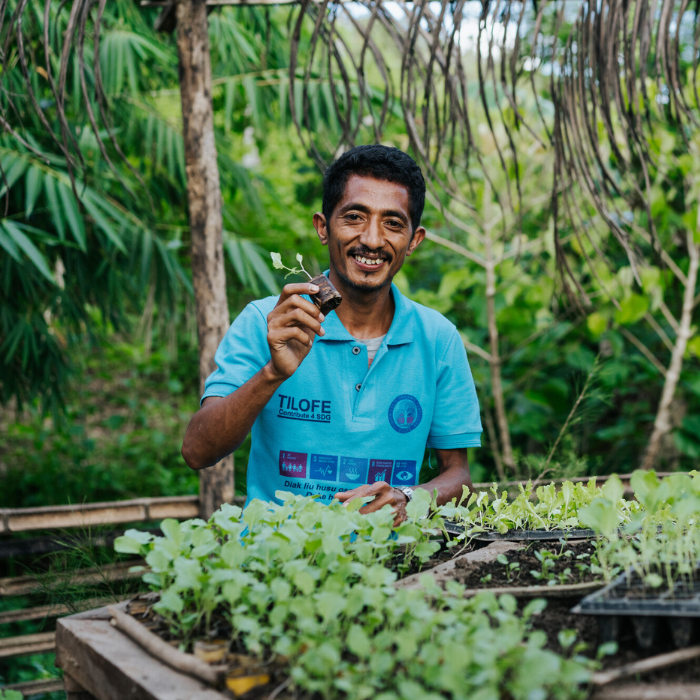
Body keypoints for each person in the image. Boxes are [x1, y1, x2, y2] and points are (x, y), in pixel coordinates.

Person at [181, 145, 482, 524]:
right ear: (323, 228)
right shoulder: (269, 321)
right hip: (277, 560)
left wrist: (409, 497)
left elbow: (460, 476)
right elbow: (197, 452)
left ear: (414, 240)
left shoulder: (438, 339)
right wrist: (273, 373)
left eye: (392, 223)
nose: (372, 240)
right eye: (354, 217)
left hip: (393, 567)